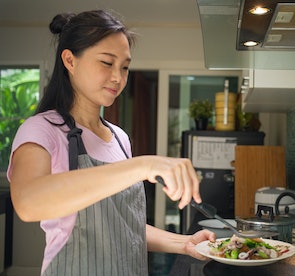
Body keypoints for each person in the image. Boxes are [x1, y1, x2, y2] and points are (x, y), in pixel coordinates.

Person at [7, 10, 215, 275]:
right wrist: (145, 165)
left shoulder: (119, 137)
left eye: (125, 67)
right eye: (107, 63)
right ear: (70, 61)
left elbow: (123, 225)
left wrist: (184, 243)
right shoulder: (42, 129)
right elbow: (28, 203)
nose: (118, 77)